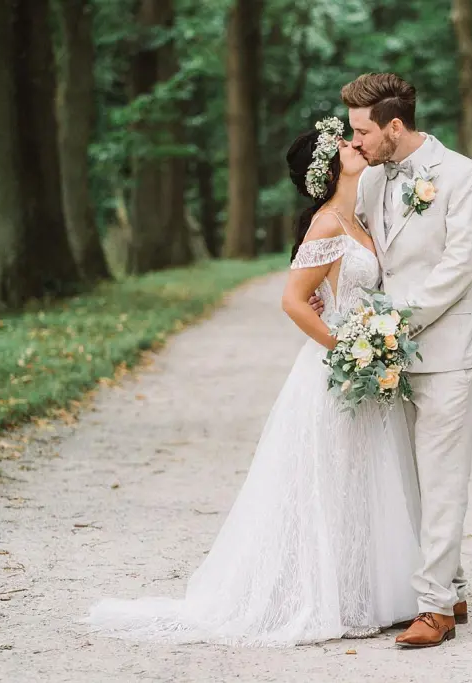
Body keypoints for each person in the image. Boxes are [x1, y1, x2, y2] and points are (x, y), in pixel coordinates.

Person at [84, 118, 423, 646]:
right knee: (328, 481)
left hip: (366, 368)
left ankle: (364, 590)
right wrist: (350, 352)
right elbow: (293, 300)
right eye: (345, 144)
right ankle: (319, 593)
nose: (357, 145)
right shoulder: (327, 224)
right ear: (326, 169)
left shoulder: (358, 219)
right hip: (338, 372)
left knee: (362, 479)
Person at [312, 73, 472, 648]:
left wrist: (395, 324)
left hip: (444, 349)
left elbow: (460, 267)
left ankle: (436, 608)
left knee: (442, 479)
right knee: (409, 478)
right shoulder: (370, 180)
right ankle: (453, 586)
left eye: (363, 130)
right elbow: (365, 249)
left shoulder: (463, 176)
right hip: (387, 356)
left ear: (396, 126)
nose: (356, 141)